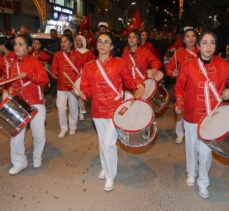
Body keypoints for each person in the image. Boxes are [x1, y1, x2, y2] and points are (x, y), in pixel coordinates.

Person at [80, 32, 144, 192]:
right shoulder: (89, 66)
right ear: (96, 45)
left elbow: (130, 80)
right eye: (100, 42)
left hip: (115, 109)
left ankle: (110, 175)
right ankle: (105, 166)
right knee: (102, 141)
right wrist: (83, 93)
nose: (102, 45)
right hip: (97, 110)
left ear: (112, 46)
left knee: (108, 143)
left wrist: (139, 85)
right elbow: (85, 87)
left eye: (106, 42)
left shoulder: (119, 63)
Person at [175, 31, 229, 198]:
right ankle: (191, 172)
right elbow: (179, 87)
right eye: (204, 42)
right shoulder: (189, 65)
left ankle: (203, 182)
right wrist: (179, 103)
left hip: (212, 116)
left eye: (212, 42)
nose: (208, 46)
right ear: (198, 46)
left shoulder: (224, 65)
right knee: (191, 147)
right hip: (191, 115)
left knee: (205, 152)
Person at [8, 33, 49, 175]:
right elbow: (12, 82)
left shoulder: (35, 62)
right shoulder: (13, 62)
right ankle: (19, 162)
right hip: (18, 103)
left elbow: (44, 80)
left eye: (20, 44)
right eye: (15, 44)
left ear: (29, 48)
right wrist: (11, 88)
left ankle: (37, 156)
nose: (16, 47)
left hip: (35, 103)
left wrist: (28, 75)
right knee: (16, 134)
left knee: (39, 134)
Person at [166, 28, 198, 144]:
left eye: (193, 36)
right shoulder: (178, 52)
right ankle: (180, 133)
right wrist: (171, 72)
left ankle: (194, 133)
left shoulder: (201, 51)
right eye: (188, 36)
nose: (191, 38)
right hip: (181, 87)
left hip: (196, 88)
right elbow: (169, 67)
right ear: (184, 40)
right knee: (179, 111)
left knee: (194, 112)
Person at [52, 34, 82, 138]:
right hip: (61, 87)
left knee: (73, 108)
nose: (63, 44)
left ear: (70, 43)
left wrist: (78, 83)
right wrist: (54, 73)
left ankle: (73, 126)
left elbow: (80, 71)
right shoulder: (57, 55)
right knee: (61, 108)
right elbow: (54, 67)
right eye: (61, 42)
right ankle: (63, 128)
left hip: (73, 87)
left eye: (65, 41)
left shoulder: (77, 55)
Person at [122, 29, 162, 99]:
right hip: (130, 87)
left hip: (144, 84)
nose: (131, 39)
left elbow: (156, 61)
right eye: (129, 37)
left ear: (138, 40)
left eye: (134, 37)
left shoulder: (145, 52)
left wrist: (155, 69)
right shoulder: (125, 54)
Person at [74, 35, 95, 120]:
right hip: (76, 76)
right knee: (78, 94)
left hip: (86, 76)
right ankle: (81, 111)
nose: (78, 42)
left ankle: (87, 109)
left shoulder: (89, 53)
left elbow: (93, 64)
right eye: (76, 40)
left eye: (80, 40)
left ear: (83, 41)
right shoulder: (73, 52)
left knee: (86, 93)